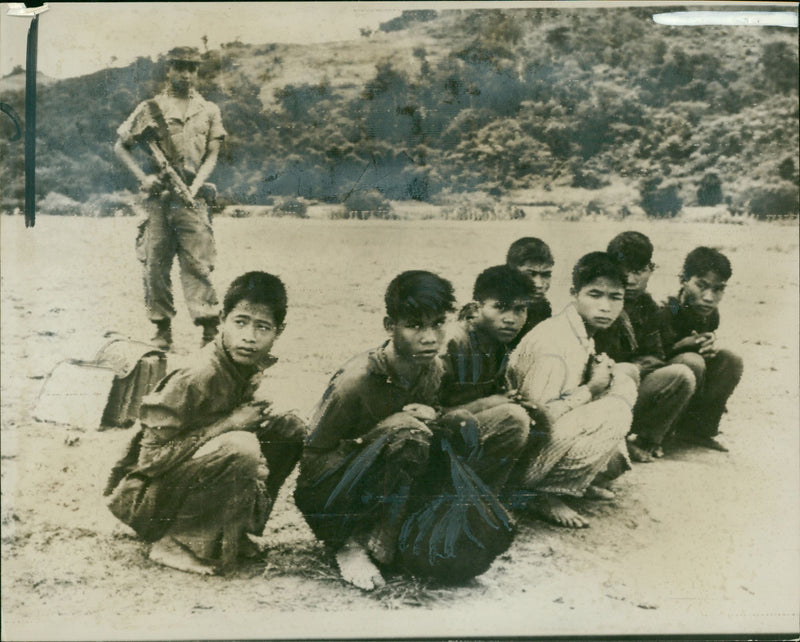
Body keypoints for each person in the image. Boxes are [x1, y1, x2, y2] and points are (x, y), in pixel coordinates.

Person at [294, 271, 527, 590]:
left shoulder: (432, 368)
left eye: (437, 323)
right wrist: (374, 439)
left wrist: (438, 418)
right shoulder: (355, 381)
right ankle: (357, 545)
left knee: (475, 424)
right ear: (390, 326)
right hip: (341, 497)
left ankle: (433, 521)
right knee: (408, 432)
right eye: (415, 325)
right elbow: (311, 467)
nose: (430, 337)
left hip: (397, 479)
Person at [104, 272, 306, 575]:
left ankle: (233, 531)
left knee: (289, 429)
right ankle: (174, 542)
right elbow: (149, 459)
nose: (249, 336)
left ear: (279, 331)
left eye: (262, 327)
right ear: (222, 319)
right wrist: (228, 426)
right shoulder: (198, 374)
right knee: (242, 447)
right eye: (240, 322)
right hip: (146, 499)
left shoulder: (242, 363)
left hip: (181, 477)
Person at [506, 252, 639, 529]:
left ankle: (575, 482)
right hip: (518, 458)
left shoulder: (580, 331)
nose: (606, 307)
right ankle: (543, 493)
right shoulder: (554, 342)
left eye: (615, 297)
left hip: (545, 438)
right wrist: (591, 388)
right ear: (574, 293)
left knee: (622, 381)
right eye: (595, 295)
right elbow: (536, 420)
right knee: (614, 410)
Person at [114, 46, 226, 350]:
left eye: (191, 68)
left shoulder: (209, 110)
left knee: (198, 265)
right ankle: (162, 329)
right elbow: (120, 146)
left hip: (193, 197)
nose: (186, 74)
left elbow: (213, 154)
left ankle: (209, 332)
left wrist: (196, 186)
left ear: (197, 71)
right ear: (169, 70)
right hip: (160, 199)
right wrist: (145, 178)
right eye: (179, 67)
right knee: (155, 264)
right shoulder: (150, 108)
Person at [594, 232, 696, 461]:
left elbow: (656, 355)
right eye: (623, 270)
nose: (630, 279)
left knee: (682, 374)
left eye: (638, 271)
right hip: (600, 390)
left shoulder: (646, 305)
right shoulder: (599, 302)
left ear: (650, 269)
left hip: (631, 383)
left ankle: (646, 440)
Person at [658, 247, 743, 452]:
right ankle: (658, 433)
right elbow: (652, 358)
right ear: (684, 280)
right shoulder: (668, 310)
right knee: (691, 361)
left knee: (731, 360)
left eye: (718, 289)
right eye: (701, 285)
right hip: (662, 384)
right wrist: (685, 346)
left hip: (690, 375)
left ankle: (697, 431)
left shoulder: (710, 314)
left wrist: (708, 344)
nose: (709, 297)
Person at [505, 237, 554, 348]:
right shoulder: (496, 309)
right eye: (531, 274)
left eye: (546, 275)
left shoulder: (543, 307)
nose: (539, 284)